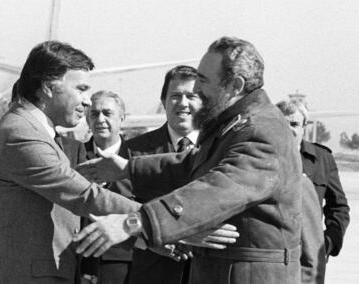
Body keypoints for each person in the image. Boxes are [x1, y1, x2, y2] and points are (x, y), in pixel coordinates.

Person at [76, 36, 303, 284]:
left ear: (235, 85)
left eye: (203, 80)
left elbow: (219, 187)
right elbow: (194, 162)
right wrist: (129, 168)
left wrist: (134, 221)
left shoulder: (261, 129)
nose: (195, 90)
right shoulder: (235, 124)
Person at [0, 41, 143, 283]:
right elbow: (86, 196)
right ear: (48, 87)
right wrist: (155, 219)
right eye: (81, 89)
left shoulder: (36, 131)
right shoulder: (21, 134)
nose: (87, 101)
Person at [126, 65, 202, 284]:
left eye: (191, 96)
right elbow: (116, 205)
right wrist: (150, 240)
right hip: (152, 273)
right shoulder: (134, 150)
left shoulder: (218, 149)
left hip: (205, 272)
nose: (183, 103)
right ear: (164, 101)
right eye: (175, 96)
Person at [276, 100, 350, 278]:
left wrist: (329, 242)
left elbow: (338, 207)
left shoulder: (322, 159)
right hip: (273, 254)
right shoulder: (261, 157)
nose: (289, 130)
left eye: (294, 124)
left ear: (304, 127)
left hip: (308, 257)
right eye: (282, 124)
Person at [81, 90, 134, 284]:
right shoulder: (73, 156)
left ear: (122, 118)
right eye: (94, 114)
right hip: (78, 263)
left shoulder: (137, 160)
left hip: (124, 267)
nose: (100, 119)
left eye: (107, 113)